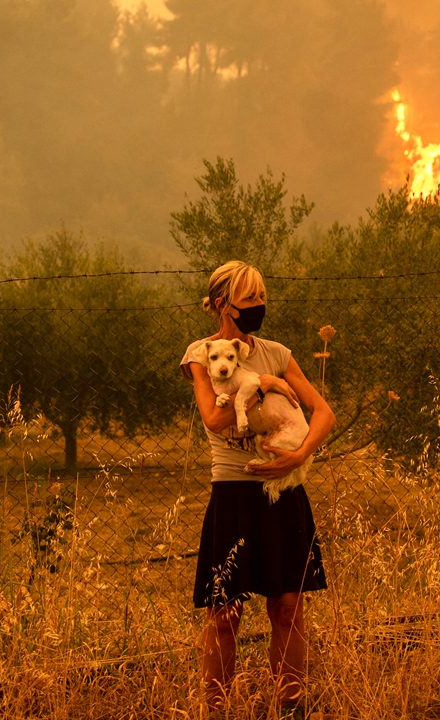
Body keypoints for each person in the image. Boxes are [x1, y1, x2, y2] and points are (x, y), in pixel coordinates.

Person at [179, 260, 336, 717]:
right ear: (223, 304)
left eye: (263, 297)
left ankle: (291, 707)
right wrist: (265, 386)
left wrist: (300, 454)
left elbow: (324, 413)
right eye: (250, 299)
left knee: (288, 606)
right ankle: (218, 709)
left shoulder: (278, 353)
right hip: (233, 492)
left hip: (284, 490)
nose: (259, 307)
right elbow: (214, 417)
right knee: (225, 614)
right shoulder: (201, 354)